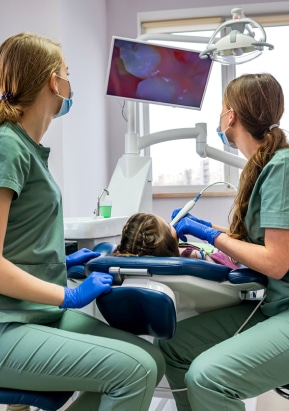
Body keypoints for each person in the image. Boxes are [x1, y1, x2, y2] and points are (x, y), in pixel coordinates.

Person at [0, 32, 165, 411]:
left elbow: (16, 239)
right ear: (52, 82)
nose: (70, 83)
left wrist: (60, 260)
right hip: (9, 324)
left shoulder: (27, 148)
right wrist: (69, 295)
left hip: (34, 315)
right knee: (135, 371)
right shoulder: (7, 146)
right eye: (67, 73)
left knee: (151, 361)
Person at [154, 73, 289, 411]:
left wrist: (211, 235)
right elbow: (265, 240)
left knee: (207, 377)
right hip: (276, 307)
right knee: (173, 347)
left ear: (230, 115)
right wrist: (209, 230)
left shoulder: (284, 166)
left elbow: (276, 261)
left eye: (221, 110)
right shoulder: (265, 166)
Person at [116, 212, 238, 269]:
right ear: (168, 242)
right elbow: (231, 260)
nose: (173, 225)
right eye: (169, 226)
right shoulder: (191, 255)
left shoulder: (129, 256)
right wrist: (209, 232)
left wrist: (207, 225)